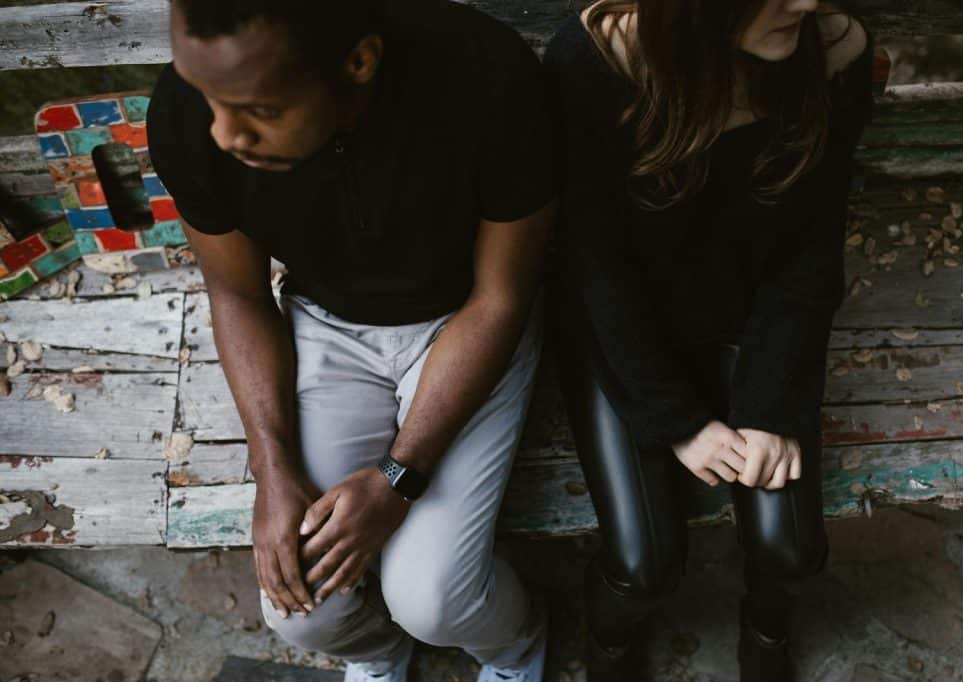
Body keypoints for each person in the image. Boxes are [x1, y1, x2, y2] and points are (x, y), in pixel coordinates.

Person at [146, 1, 556, 680]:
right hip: (325, 322)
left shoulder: (487, 77)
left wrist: (397, 476)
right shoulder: (189, 112)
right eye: (207, 98)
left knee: (434, 600)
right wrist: (272, 469)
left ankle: (518, 645)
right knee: (300, 605)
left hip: (466, 320)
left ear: (359, 61)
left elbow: (501, 296)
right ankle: (380, 653)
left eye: (260, 110)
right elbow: (238, 293)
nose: (224, 134)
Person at [543, 0, 873, 679]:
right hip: (626, 338)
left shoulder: (832, 52)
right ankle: (609, 644)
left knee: (791, 552)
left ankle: (767, 631)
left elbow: (810, 255)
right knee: (644, 566)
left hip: (751, 328)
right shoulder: (592, 64)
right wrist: (678, 422)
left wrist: (772, 406)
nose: (806, 3)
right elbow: (594, 273)